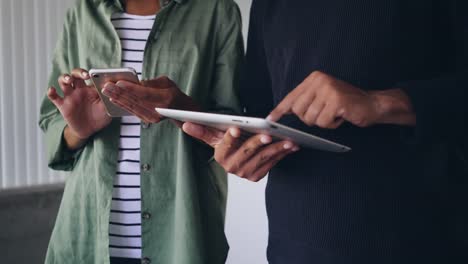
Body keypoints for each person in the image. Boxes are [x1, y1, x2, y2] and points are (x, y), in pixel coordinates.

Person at [183, 0, 468, 263]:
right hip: (293, 244)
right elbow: (263, 112)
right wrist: (239, 147)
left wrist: (380, 103)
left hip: (420, 240)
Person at [39, 0, 243, 263]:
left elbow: (233, 129)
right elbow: (51, 123)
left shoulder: (216, 10)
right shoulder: (83, 11)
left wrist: (181, 108)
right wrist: (79, 130)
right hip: (87, 237)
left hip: (181, 237)